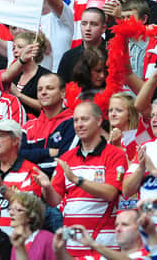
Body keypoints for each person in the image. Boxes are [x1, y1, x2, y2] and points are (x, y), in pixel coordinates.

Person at [41, 101, 127, 256]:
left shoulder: (115, 154)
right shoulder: (67, 157)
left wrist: (76, 180)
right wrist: (46, 187)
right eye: (75, 120)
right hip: (72, 247)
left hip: (104, 247)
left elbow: (110, 193)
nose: (79, 125)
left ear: (99, 120)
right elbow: (54, 201)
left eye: (84, 119)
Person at [21, 73, 76, 177]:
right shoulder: (28, 126)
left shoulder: (72, 122)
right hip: (27, 184)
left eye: (49, 88)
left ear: (63, 93)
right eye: (40, 89)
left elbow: (63, 163)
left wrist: (32, 158)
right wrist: (47, 152)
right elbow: (17, 156)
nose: (43, 93)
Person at [57, 7, 107, 83]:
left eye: (94, 24)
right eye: (84, 24)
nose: (88, 28)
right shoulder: (69, 56)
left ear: (103, 28)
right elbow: (61, 88)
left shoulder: (113, 53)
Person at [8, 192, 54, 260]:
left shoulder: (47, 238)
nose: (11, 213)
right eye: (10, 209)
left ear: (31, 215)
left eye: (18, 210)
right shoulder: (16, 240)